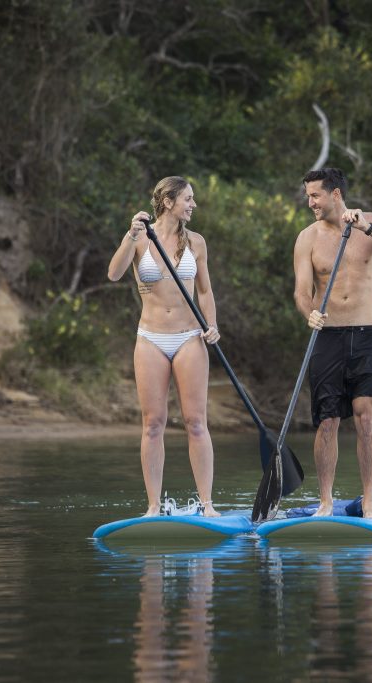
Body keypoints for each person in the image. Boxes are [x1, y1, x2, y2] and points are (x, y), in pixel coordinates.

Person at [294, 168, 372, 519]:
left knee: (365, 416)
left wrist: (368, 229)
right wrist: (309, 314)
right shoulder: (307, 238)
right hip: (327, 337)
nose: (310, 202)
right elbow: (301, 292)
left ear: (335, 194)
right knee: (327, 421)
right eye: (308, 196)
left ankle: (370, 502)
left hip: (366, 336)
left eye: (315, 195)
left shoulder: (370, 222)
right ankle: (326, 503)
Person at [107, 176, 221, 517]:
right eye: (188, 198)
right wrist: (130, 235)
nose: (193, 204)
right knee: (153, 423)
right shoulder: (140, 237)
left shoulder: (197, 242)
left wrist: (211, 325)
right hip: (150, 339)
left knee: (195, 421)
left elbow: (204, 291)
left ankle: (207, 505)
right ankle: (154, 507)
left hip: (189, 336)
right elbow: (114, 274)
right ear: (169, 201)